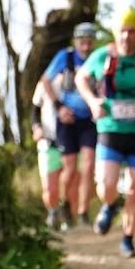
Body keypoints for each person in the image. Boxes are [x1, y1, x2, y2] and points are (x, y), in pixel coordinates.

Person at [75, 8, 135, 258]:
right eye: (122, 31)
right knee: (107, 184)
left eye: (131, 31)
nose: (127, 36)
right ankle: (110, 204)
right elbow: (81, 78)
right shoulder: (101, 56)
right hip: (111, 127)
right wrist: (92, 102)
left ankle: (128, 239)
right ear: (115, 33)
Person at [37, 22, 99, 229]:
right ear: (76, 41)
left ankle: (82, 213)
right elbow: (46, 80)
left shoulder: (98, 59)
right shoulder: (66, 56)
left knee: (89, 163)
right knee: (70, 169)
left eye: (90, 41)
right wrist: (59, 106)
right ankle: (63, 206)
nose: (86, 45)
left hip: (89, 120)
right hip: (67, 120)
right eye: (82, 41)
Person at [30, 81, 65, 228]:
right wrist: (36, 128)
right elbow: (34, 110)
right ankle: (53, 213)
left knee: (69, 185)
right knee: (50, 189)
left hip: (72, 144)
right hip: (47, 144)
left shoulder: (80, 76)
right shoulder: (44, 83)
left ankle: (69, 218)